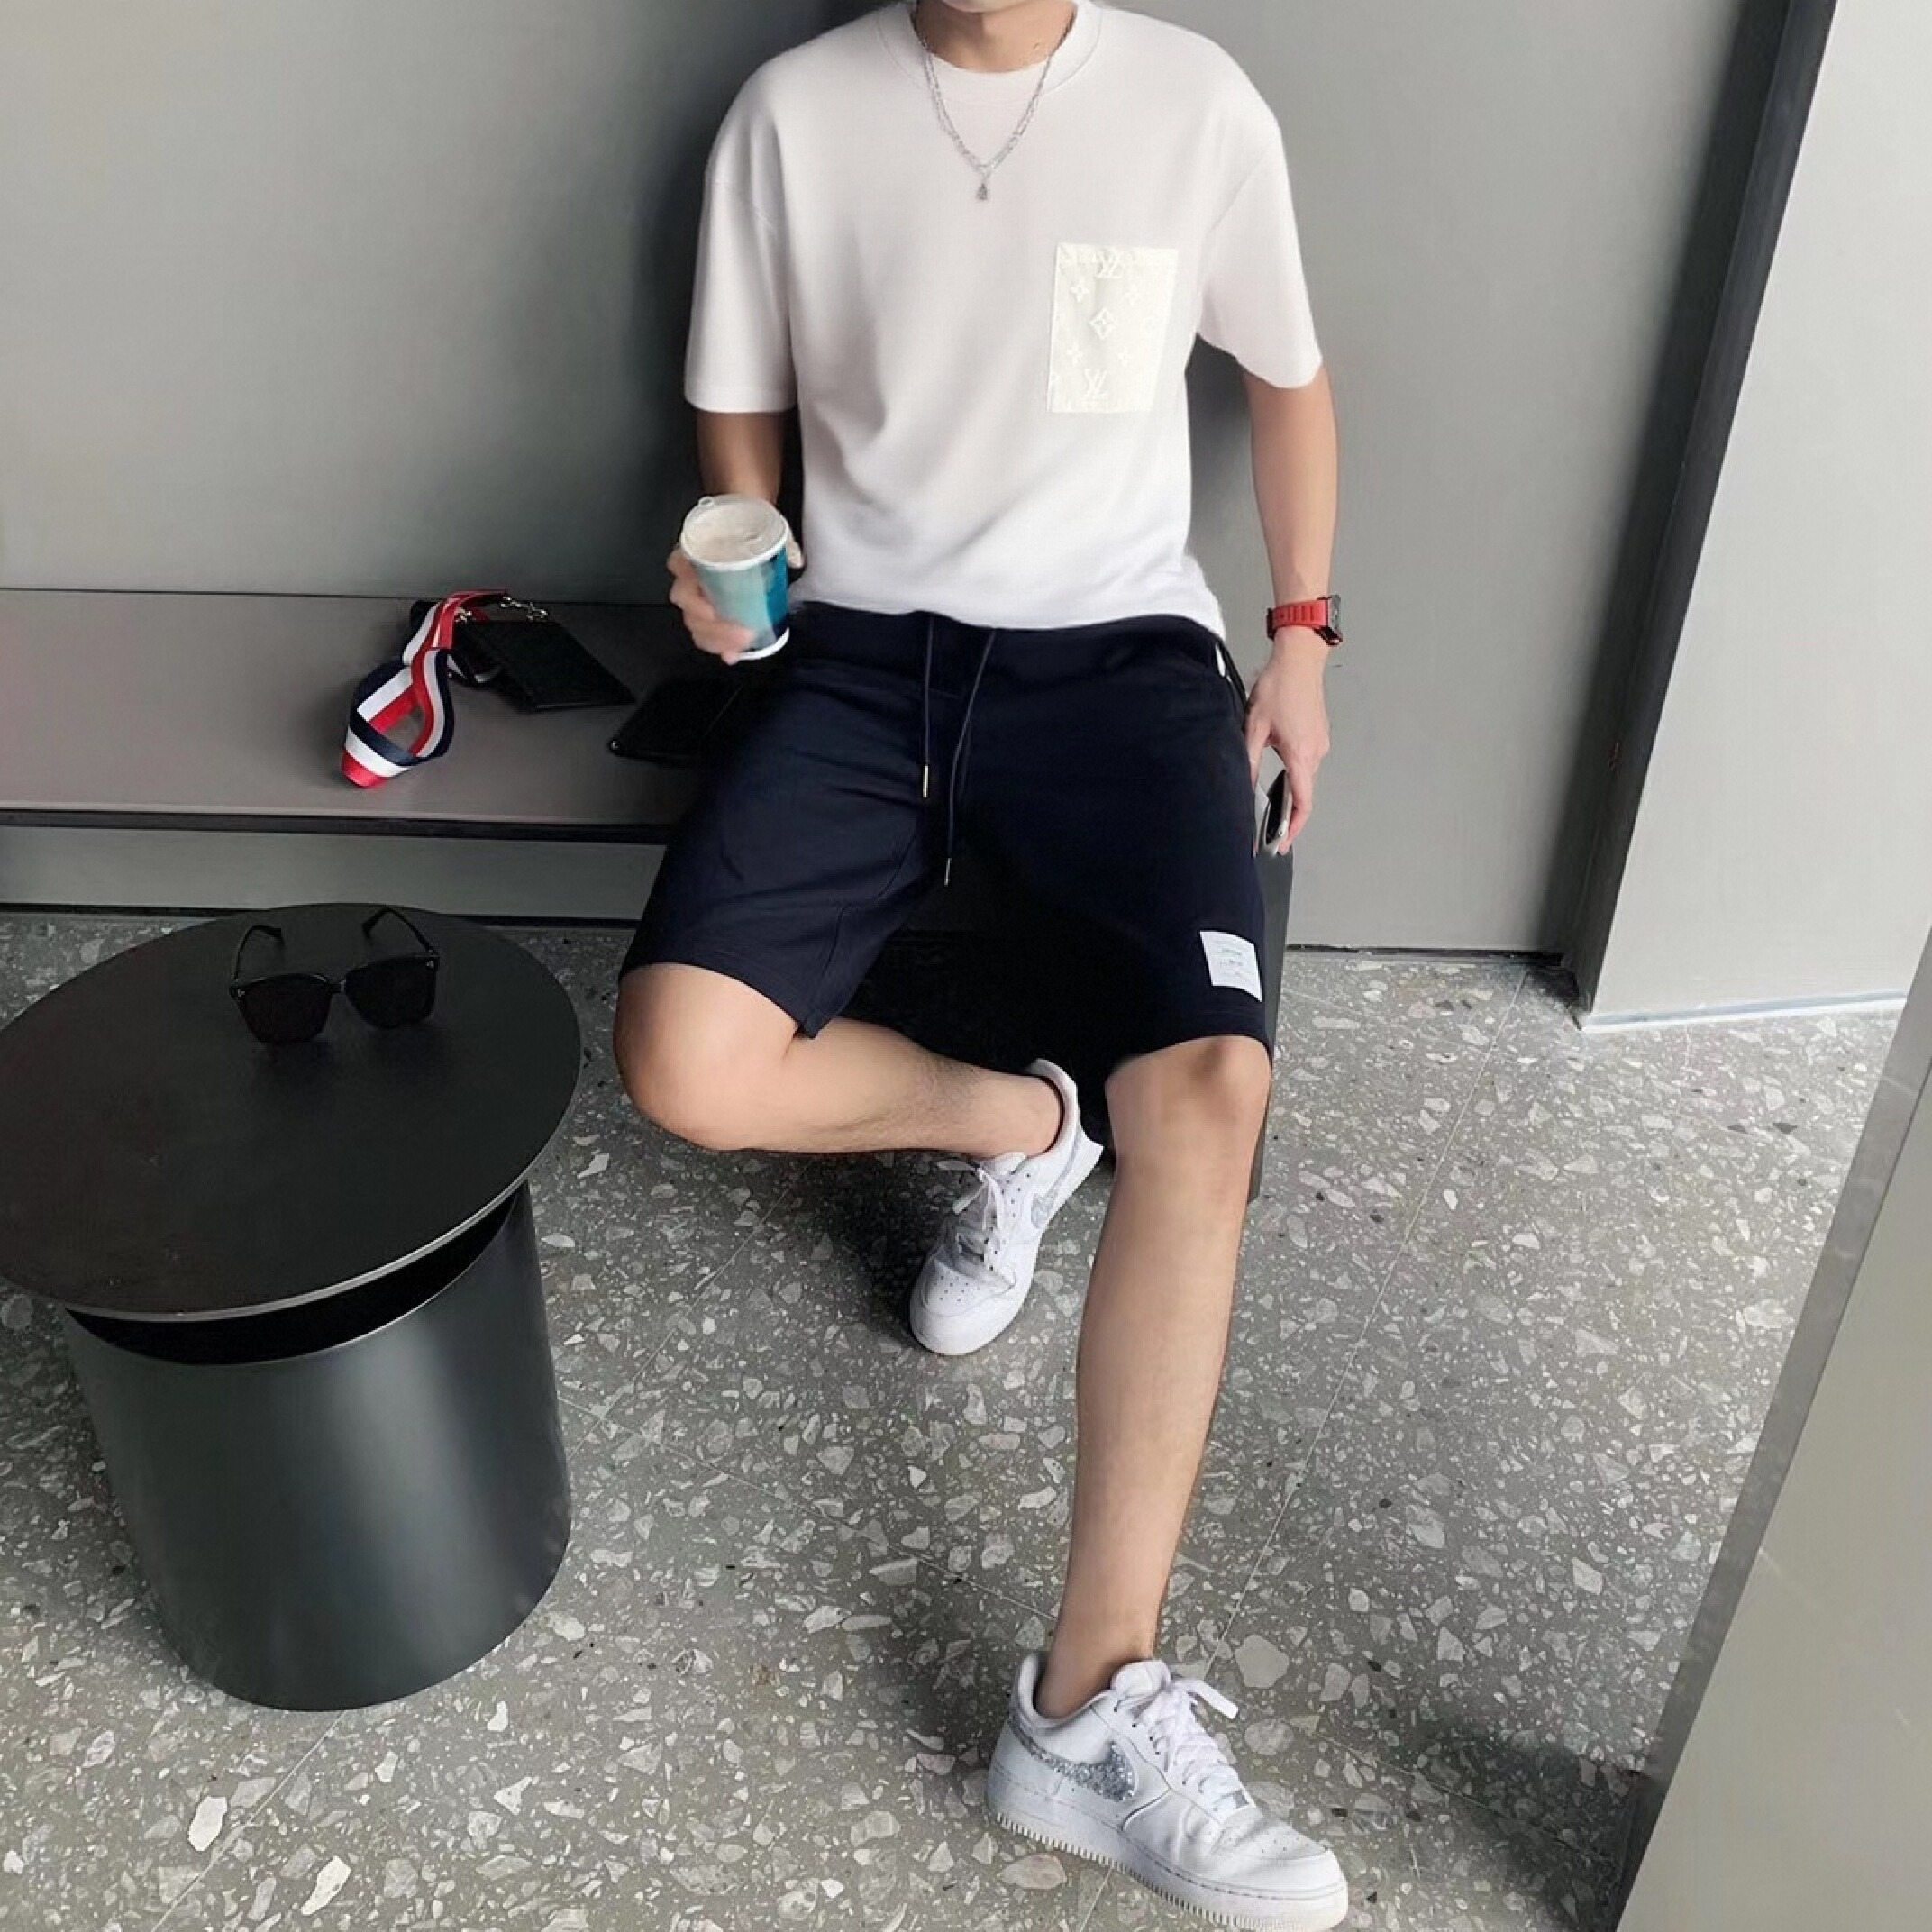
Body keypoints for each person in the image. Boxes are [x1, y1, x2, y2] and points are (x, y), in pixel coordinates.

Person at [615, 3, 1344, 1923]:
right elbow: (738, 401)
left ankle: (1089, 1706)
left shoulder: (1193, 102)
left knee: (1212, 1096)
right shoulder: (793, 112)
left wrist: (1301, 634)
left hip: (1120, 660)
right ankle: (1026, 1125)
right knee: (683, 1061)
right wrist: (740, 569)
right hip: (859, 653)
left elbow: (1288, 380)